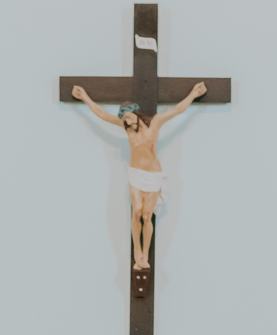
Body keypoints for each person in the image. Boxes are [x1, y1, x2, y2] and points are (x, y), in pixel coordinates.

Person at [70, 80, 207, 270]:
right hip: (135, 174)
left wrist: (193, 94)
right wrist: (85, 97)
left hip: (153, 174)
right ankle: (137, 253)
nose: (126, 121)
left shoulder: (155, 123)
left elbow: (177, 110)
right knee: (136, 212)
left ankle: (145, 254)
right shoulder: (126, 129)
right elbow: (102, 114)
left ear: (135, 113)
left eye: (127, 117)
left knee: (147, 214)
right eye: (123, 119)